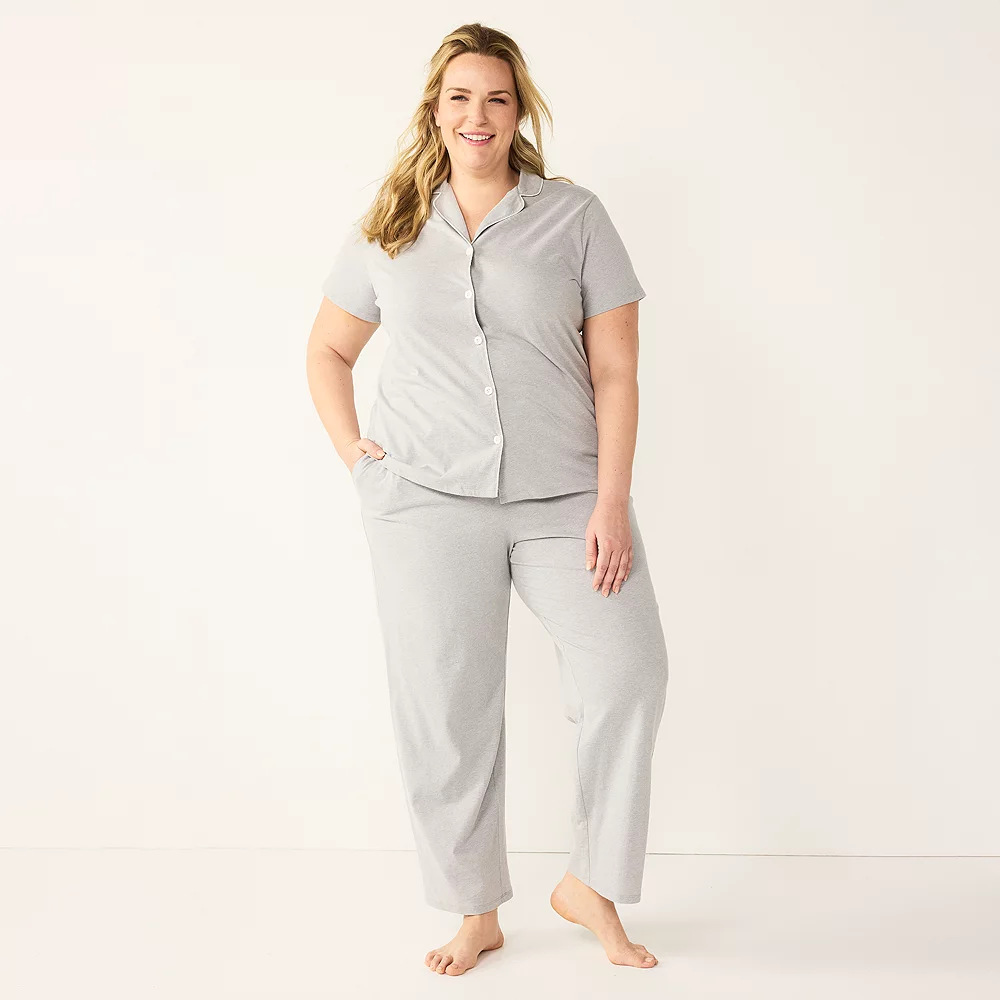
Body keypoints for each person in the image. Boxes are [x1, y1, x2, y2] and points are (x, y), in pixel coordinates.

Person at [306, 22, 668, 976]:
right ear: (436, 110)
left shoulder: (575, 217)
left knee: (628, 672)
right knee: (447, 709)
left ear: (519, 113)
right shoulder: (388, 226)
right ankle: (476, 911)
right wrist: (357, 458)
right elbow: (328, 350)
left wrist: (611, 501)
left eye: (497, 99)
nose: (479, 115)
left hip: (567, 497)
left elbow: (617, 372)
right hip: (424, 500)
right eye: (460, 97)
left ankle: (590, 885)